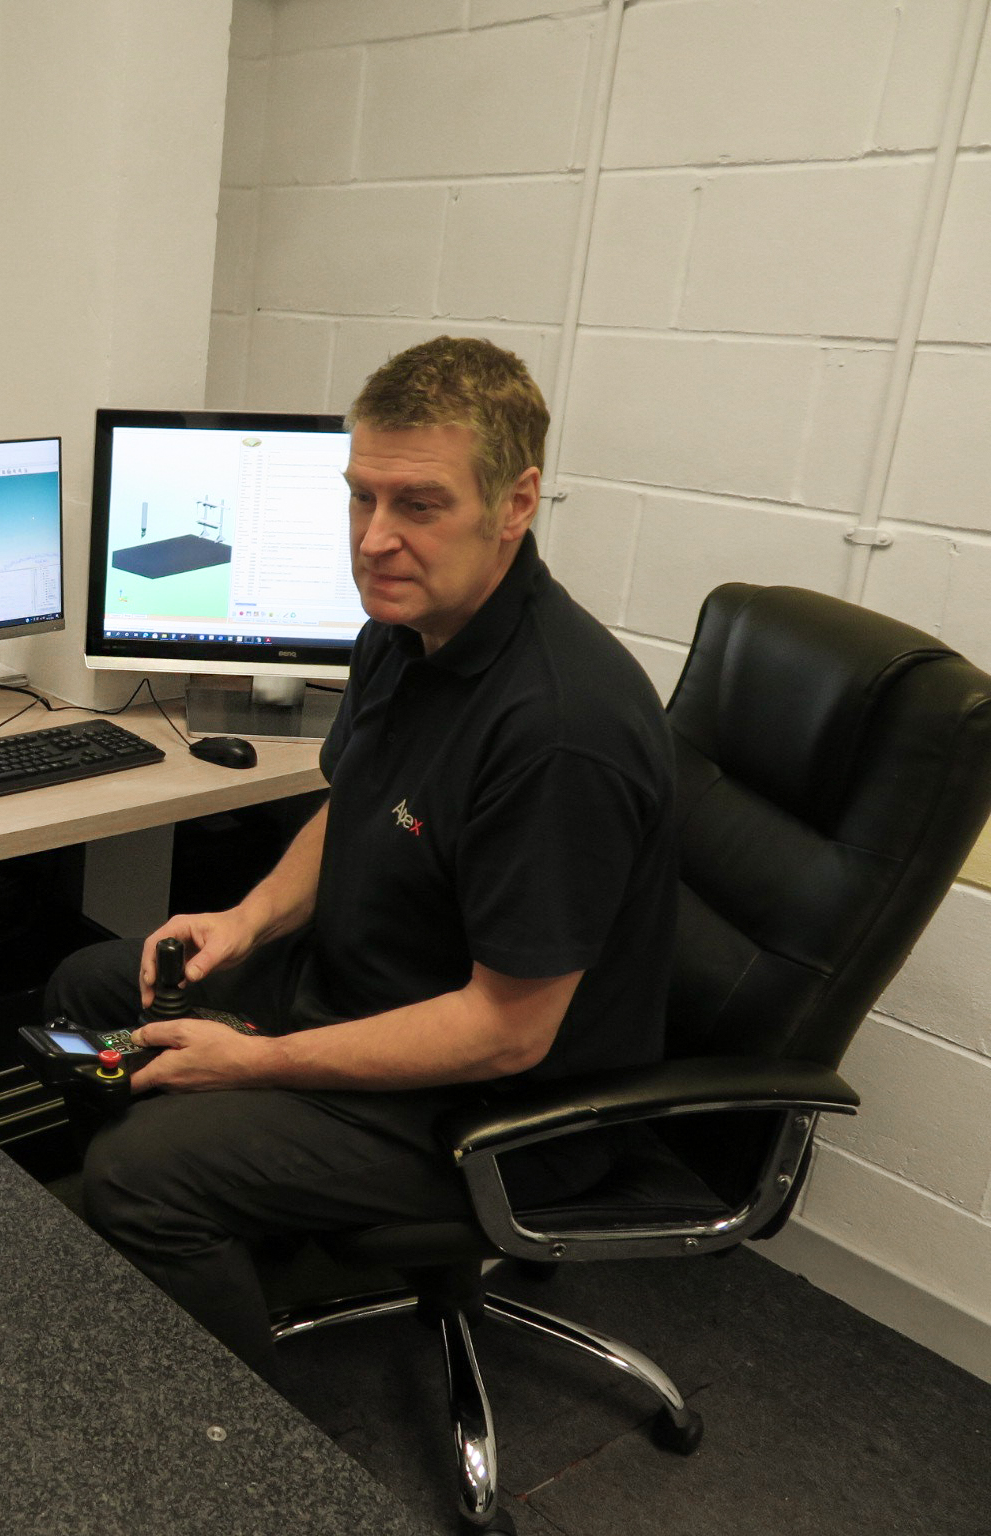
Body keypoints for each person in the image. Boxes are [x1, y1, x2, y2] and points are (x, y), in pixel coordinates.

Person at [44, 336, 678, 1384]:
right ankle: (216, 1243)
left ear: (515, 504)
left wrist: (258, 1063)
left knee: (136, 1177)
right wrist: (245, 920)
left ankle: (234, 1441)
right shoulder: (405, 625)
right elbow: (355, 806)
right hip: (362, 988)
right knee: (93, 988)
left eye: (418, 504)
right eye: (360, 498)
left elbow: (507, 1031)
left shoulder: (560, 731)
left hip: (495, 1111)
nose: (375, 539)